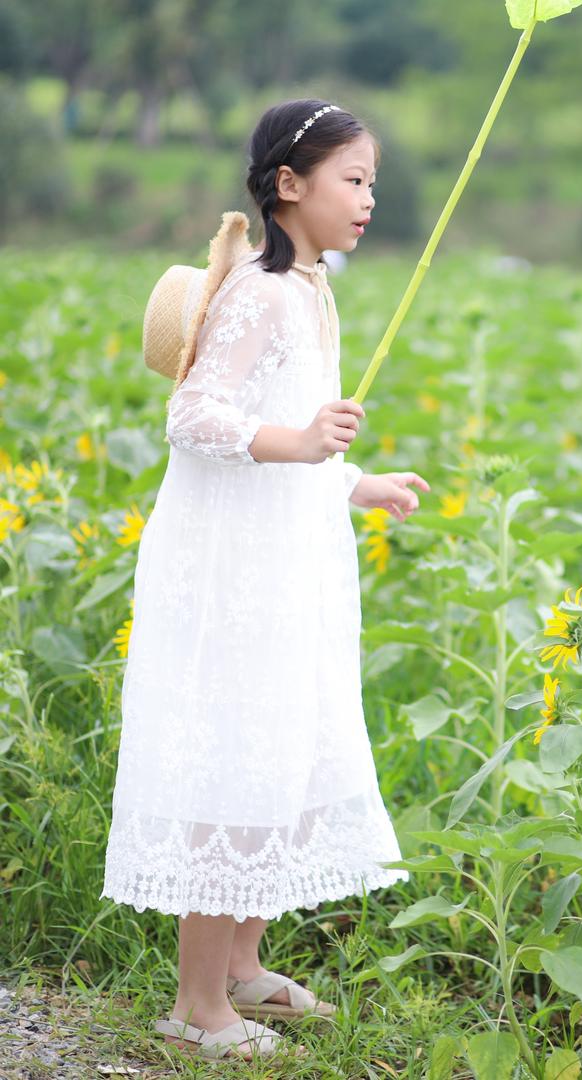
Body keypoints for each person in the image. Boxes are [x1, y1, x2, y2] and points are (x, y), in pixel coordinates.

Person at [99, 99, 430, 1063]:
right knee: (233, 749)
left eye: (373, 181)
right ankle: (197, 1001)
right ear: (291, 184)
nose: (370, 198)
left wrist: (355, 480)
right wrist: (296, 441)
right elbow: (195, 415)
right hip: (232, 564)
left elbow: (290, 424)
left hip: (289, 553)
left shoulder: (314, 287)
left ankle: (244, 966)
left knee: (280, 742)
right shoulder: (261, 289)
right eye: (354, 179)